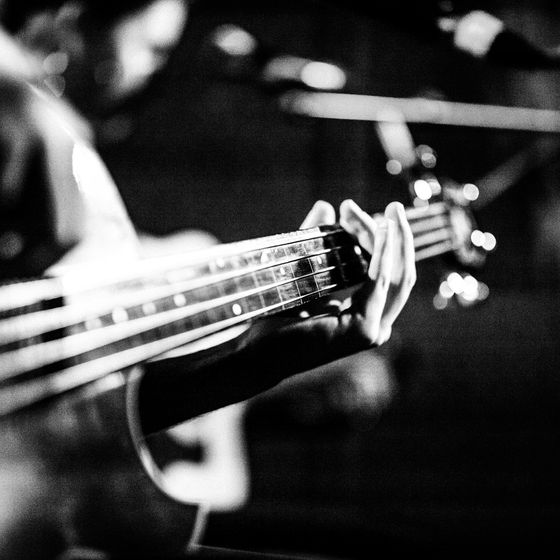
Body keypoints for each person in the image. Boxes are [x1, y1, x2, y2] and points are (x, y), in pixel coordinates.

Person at [0, 0, 417, 558]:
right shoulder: (40, 135)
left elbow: (53, 426)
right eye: (153, 48)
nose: (153, 71)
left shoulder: (76, 174)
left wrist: (262, 359)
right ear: (76, 17)